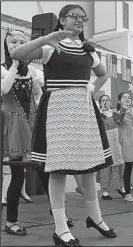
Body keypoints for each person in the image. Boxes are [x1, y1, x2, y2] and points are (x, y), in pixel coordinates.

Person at [11, 4, 116, 246]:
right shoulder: (49, 46)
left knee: (89, 167)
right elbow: (17, 55)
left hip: (83, 110)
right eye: (74, 17)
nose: (79, 20)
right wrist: (46, 38)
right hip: (58, 110)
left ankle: (95, 217)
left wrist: (90, 89)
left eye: (83, 18)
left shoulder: (89, 50)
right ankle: (60, 229)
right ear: (62, 20)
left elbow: (103, 75)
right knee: (58, 170)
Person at [1, 30, 43, 236]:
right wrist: (15, 66)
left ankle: (60, 215)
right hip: (14, 126)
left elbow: (40, 95)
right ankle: (11, 222)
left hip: (32, 123)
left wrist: (38, 91)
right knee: (18, 175)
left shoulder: (34, 71)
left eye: (21, 42)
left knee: (45, 171)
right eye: (12, 42)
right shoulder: (2, 69)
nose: (17, 45)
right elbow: (4, 89)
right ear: (6, 46)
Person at [96, 94, 125, 200]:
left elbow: (120, 120)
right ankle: (104, 191)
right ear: (99, 103)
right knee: (105, 166)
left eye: (107, 100)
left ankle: (120, 187)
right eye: (103, 100)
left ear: (110, 102)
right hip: (104, 142)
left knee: (118, 164)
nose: (105, 102)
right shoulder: (98, 114)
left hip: (116, 141)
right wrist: (100, 111)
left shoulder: (114, 113)